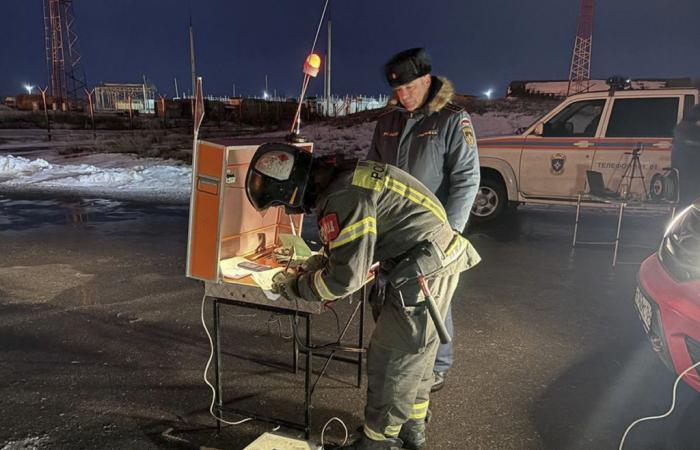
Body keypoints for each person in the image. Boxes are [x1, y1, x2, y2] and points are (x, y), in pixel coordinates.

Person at [246, 143, 480, 450]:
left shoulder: (342, 196)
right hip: (429, 258)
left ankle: (378, 441)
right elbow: (357, 244)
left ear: (292, 190)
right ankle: (412, 428)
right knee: (416, 355)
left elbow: (343, 280)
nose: (290, 210)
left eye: (284, 203)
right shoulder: (345, 177)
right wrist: (319, 263)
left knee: (393, 358)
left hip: (422, 268)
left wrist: (295, 288)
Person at [366, 48, 480, 392]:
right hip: (392, 229)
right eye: (397, 90)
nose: (403, 96)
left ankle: (438, 365)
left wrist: (451, 235)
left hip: (434, 232)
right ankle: (397, 355)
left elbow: (466, 179)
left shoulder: (450, 119)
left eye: (410, 88)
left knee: (433, 299)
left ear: (427, 81)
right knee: (391, 293)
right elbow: (371, 173)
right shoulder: (388, 121)